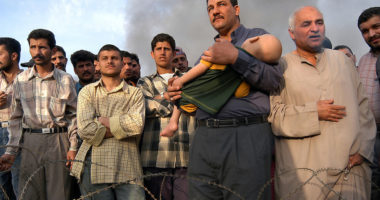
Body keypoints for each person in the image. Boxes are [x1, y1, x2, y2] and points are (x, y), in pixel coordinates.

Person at [167, 0, 283, 199]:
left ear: (236, 9)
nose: (215, 11)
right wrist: (177, 96)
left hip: (245, 136)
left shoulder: (258, 39)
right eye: (210, 8)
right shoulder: (207, 55)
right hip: (204, 137)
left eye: (221, 4)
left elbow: (274, 80)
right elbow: (193, 101)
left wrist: (237, 58)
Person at [268, 6, 376, 199]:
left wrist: (364, 151)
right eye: (306, 24)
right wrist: (313, 112)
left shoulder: (343, 62)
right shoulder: (281, 67)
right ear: (292, 33)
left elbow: (364, 108)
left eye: (319, 22)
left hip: (350, 173)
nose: (315, 28)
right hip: (304, 177)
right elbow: (274, 116)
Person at [0, 29, 78, 200]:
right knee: (30, 193)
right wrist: (11, 151)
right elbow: (16, 119)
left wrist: (73, 147)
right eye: (33, 47)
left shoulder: (65, 79)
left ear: (51, 49)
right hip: (30, 141)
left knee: (59, 194)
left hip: (58, 140)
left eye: (42, 47)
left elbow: (73, 116)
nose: (37, 52)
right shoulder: (21, 80)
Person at [161, 34, 282, 137]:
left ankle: (173, 122)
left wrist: (181, 81)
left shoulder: (222, 53)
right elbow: (241, 93)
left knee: (181, 90)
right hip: (202, 106)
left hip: (189, 97)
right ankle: (173, 119)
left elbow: (200, 67)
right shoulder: (243, 78)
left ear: (254, 39)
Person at [70, 44, 145, 199]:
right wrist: (121, 125)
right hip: (93, 164)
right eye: (105, 58)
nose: (110, 61)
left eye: (114, 58)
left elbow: (137, 125)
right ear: (98, 63)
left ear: (122, 63)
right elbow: (84, 129)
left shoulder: (135, 93)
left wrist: (101, 121)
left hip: (127, 163)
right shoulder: (87, 92)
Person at [137, 33, 196, 200]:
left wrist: (159, 98)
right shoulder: (144, 82)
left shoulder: (189, 79)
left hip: (187, 156)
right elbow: (144, 107)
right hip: (156, 158)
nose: (162, 52)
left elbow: (197, 104)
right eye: (158, 49)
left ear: (173, 53)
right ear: (152, 53)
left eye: (167, 49)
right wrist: (175, 98)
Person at [356, 7, 380, 200]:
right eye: (365, 31)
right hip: (372, 137)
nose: (371, 34)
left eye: (376, 27)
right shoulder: (363, 62)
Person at [0, 37, 23, 199]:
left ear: (13, 56)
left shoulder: (29, 79)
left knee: (20, 182)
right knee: (2, 187)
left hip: (21, 134)